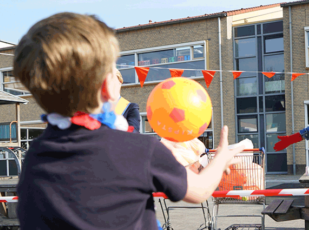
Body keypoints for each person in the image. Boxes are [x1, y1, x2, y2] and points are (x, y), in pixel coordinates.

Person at [14, 12, 245, 230]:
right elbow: (201, 190)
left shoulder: (35, 156)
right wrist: (222, 157)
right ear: (108, 86)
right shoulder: (140, 151)